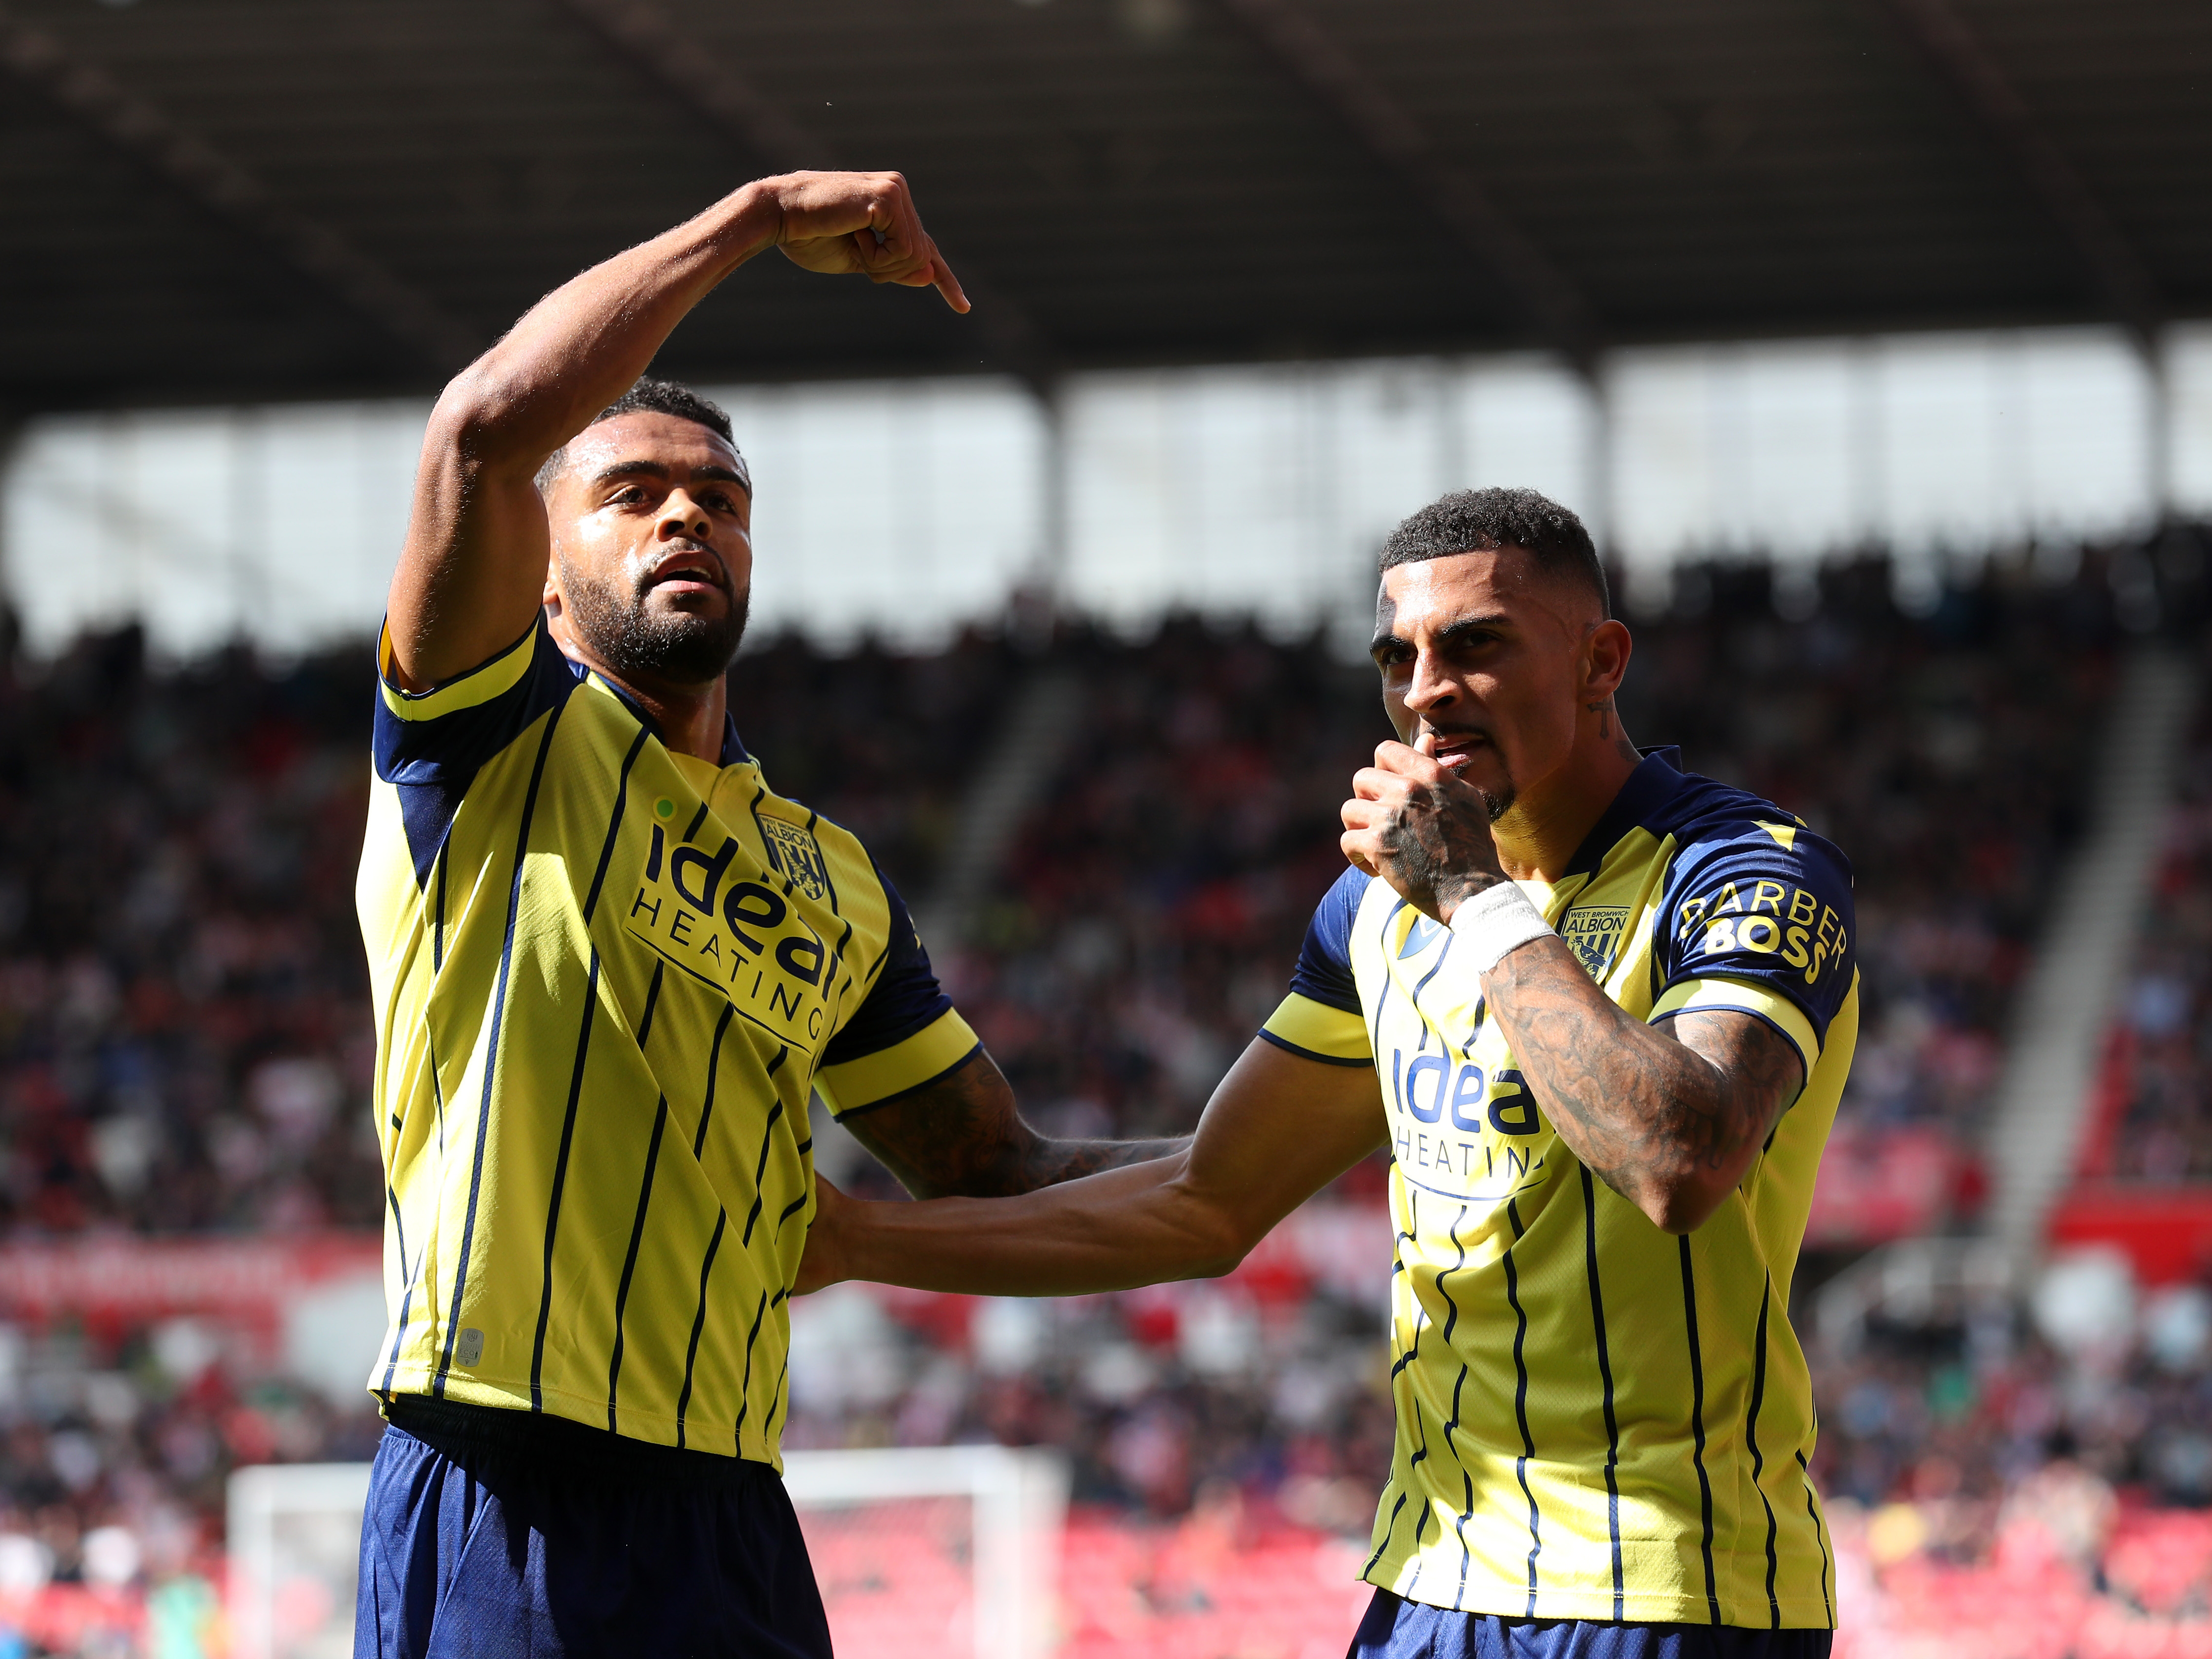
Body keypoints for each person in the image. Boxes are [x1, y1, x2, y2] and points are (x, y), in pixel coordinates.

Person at [802, 488, 1859, 1657]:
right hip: (1427, 1582)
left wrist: (1469, 894)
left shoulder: (1743, 873)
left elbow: (1680, 1160)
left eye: (1475, 646)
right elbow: (1206, 1200)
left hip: (1665, 1590)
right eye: (1395, 658)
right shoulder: (1373, 909)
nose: (1423, 692)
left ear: (1600, 660)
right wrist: (850, 1241)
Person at [355, 170, 1179, 1658]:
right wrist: (752, 222)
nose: (688, 515)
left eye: (721, 502)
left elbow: (997, 1169)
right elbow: (481, 431)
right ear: (539, 577)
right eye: (633, 494)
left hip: (733, 1515)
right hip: (501, 1483)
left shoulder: (834, 879)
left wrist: (1331, 1119)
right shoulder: (485, 741)